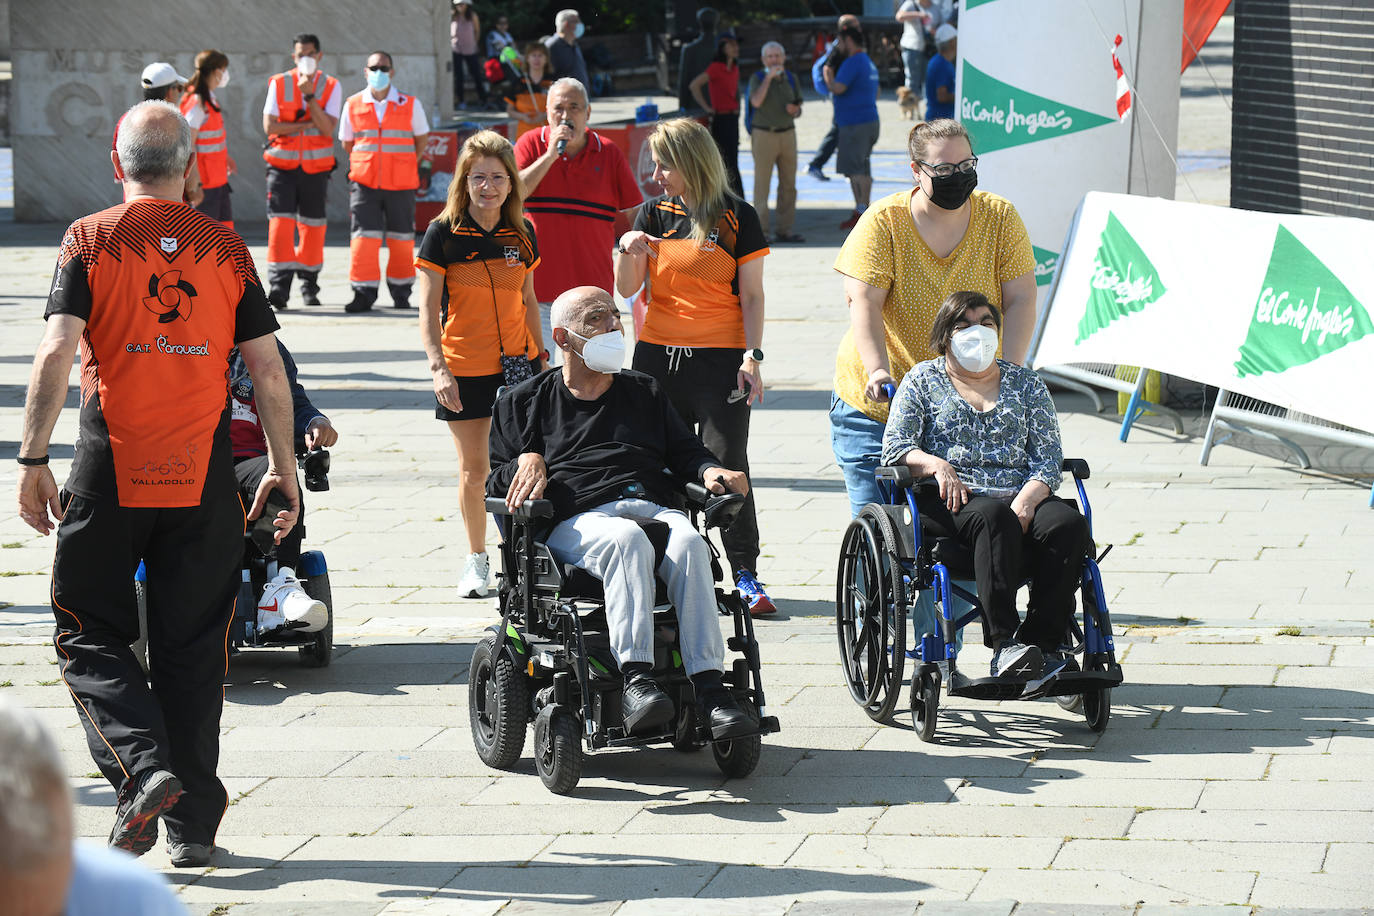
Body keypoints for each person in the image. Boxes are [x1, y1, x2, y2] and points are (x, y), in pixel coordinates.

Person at [15, 101, 298, 868]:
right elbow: (267, 366)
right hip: (203, 477)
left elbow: (54, 351)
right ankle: (194, 829)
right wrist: (281, 465)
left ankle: (144, 771)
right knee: (194, 649)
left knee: (85, 630)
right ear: (192, 169)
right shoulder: (227, 248)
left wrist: (32, 459)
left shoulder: (91, 238)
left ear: (118, 162)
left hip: (113, 470)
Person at [488, 286, 756, 739]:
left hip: (647, 503)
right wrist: (525, 460)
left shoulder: (644, 390)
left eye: (616, 315)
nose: (615, 325)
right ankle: (637, 680)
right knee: (625, 541)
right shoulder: (524, 401)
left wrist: (713, 471)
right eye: (598, 318)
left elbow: (687, 450)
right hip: (574, 520)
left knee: (690, 542)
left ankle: (711, 692)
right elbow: (496, 487)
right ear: (564, 337)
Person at [830, 118, 1036, 517]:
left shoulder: (999, 218)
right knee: (880, 523)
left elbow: (1022, 298)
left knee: (958, 531)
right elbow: (863, 302)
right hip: (879, 404)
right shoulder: (884, 221)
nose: (956, 176)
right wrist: (877, 371)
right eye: (943, 169)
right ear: (916, 171)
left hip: (960, 403)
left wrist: (1008, 372)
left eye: (965, 166)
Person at [882, 291, 1088, 679]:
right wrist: (936, 465)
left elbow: (1047, 457)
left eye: (986, 323)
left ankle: (1043, 645)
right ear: (945, 336)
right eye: (963, 325)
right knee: (994, 517)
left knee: (1068, 524)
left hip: (1020, 492)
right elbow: (895, 446)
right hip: (953, 498)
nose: (976, 333)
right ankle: (1004, 645)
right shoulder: (922, 380)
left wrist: (1028, 499)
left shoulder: (1026, 384)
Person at [614, 117, 774, 617]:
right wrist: (626, 248)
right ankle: (678, 568)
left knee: (729, 467)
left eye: (665, 164)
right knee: (660, 466)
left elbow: (751, 294)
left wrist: (753, 355)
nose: (657, 173)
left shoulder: (736, 217)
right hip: (657, 359)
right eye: (655, 164)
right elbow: (625, 288)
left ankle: (745, 572)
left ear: (692, 161)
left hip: (720, 362)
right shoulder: (652, 213)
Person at [416, 130, 543, 600]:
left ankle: (522, 560)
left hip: (519, 366)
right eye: (478, 178)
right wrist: (438, 368)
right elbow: (427, 311)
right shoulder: (443, 232)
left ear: (512, 182)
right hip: (464, 366)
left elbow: (528, 298)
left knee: (522, 464)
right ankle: (477, 560)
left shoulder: (523, 232)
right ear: (464, 182)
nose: (487, 186)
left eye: (497, 177)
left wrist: (540, 357)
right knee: (475, 468)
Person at [0, 697, 189, 914]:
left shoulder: (132, 890)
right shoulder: (133, 891)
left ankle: (143, 777)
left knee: (93, 665)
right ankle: (192, 831)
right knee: (189, 677)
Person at [514, 78, 641, 360]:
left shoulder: (608, 152)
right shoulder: (531, 144)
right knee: (538, 377)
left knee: (596, 377)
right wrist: (549, 156)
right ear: (547, 112)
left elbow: (636, 213)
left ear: (588, 113)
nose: (565, 115)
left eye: (574, 107)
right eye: (558, 108)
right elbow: (513, 193)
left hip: (592, 297)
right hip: (539, 295)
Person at [228, 340, 339, 634]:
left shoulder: (265, 347)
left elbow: (294, 400)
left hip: (255, 461)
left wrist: (315, 421)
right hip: (196, 461)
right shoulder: (184, 342)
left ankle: (280, 585)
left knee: (275, 474)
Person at [339, 50, 430, 313]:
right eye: (374, 67)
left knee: (401, 240)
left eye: (384, 67)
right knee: (363, 240)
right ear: (365, 71)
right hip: (364, 182)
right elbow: (347, 143)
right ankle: (363, 293)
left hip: (401, 183)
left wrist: (402, 163)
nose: (379, 72)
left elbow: (421, 139)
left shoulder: (409, 103)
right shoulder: (353, 103)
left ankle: (401, 292)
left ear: (392, 71)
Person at [262, 32, 342, 309]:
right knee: (280, 226)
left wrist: (310, 97)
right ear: (293, 56)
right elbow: (270, 127)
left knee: (313, 227)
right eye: (300, 54)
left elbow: (328, 128)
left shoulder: (331, 85)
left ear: (319, 56)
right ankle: (279, 286)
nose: (304, 58)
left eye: (310, 53)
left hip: (315, 168)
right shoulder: (279, 82)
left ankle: (309, 284)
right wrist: (304, 125)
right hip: (281, 166)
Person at [114, 63, 201, 207]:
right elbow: (185, 161)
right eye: (179, 88)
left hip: (134, 209)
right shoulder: (176, 123)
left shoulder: (126, 121)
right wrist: (194, 189)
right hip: (173, 211)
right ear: (169, 92)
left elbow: (121, 172)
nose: (179, 93)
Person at [746, 40, 805, 244]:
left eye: (777, 56)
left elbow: (798, 104)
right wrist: (768, 79)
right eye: (770, 57)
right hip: (764, 135)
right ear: (764, 60)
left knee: (789, 184)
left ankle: (784, 229)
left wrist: (795, 110)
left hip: (787, 134)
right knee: (762, 184)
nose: (774, 60)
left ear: (783, 57)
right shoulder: (758, 78)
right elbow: (755, 102)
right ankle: (761, 231)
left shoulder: (791, 78)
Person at [824, 26, 881, 230]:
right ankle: (863, 209)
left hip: (855, 124)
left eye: (839, 41)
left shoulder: (853, 61)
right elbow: (878, 92)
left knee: (855, 169)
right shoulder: (868, 62)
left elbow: (838, 88)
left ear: (848, 40)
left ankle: (861, 212)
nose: (837, 46)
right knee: (863, 167)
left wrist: (827, 73)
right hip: (869, 120)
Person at [180, 50, 236, 228]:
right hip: (205, 185)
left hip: (216, 181)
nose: (225, 74)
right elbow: (188, 144)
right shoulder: (198, 102)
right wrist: (194, 186)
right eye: (224, 69)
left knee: (224, 238)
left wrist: (225, 158)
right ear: (216, 71)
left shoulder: (208, 98)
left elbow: (210, 139)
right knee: (207, 242)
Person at [806, 13, 860, 183]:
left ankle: (844, 169)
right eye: (855, 26)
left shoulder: (847, 44)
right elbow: (829, 68)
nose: (859, 28)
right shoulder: (840, 47)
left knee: (842, 131)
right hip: (842, 96)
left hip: (847, 95)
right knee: (838, 131)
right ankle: (816, 164)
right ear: (846, 28)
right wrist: (835, 88)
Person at [689, 31, 744, 198]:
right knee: (726, 162)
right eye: (731, 44)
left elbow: (736, 92)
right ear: (722, 48)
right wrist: (707, 107)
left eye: (736, 44)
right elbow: (694, 85)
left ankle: (737, 200)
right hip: (720, 119)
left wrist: (738, 109)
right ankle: (733, 199)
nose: (736, 48)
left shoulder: (734, 67)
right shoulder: (715, 68)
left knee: (733, 160)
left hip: (732, 119)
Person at [504, 42, 553, 139]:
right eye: (533, 55)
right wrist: (522, 117)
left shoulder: (553, 82)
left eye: (540, 55)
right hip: (524, 135)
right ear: (527, 58)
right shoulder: (518, 83)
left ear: (546, 59)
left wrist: (545, 116)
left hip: (548, 135)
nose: (537, 59)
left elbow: (562, 108)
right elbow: (509, 110)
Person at [677, 6, 719, 113]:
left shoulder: (689, 49)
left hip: (694, 106)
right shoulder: (724, 48)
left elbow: (684, 82)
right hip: (720, 106)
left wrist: (682, 108)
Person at [451, 0, 489, 111]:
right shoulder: (453, 15)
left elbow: (477, 31)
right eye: (458, 4)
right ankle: (461, 101)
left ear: (467, 5)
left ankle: (483, 100)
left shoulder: (472, 16)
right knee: (459, 76)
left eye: (462, 4)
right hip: (456, 49)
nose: (460, 6)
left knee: (476, 74)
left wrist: (474, 43)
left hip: (470, 49)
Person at [544, 9, 590, 88]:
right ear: (566, 24)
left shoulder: (574, 45)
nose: (580, 24)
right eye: (576, 21)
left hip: (580, 96)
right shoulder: (552, 46)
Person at [896, 0, 931, 103]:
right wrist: (919, 15)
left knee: (927, 78)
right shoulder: (911, 3)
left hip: (927, 48)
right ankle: (909, 107)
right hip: (911, 46)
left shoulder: (934, 5)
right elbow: (899, 16)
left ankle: (926, 107)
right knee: (912, 79)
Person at [925, 24, 958, 121]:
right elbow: (942, 97)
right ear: (952, 42)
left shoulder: (939, 61)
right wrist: (963, 97)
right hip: (940, 121)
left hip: (938, 119)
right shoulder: (942, 64)